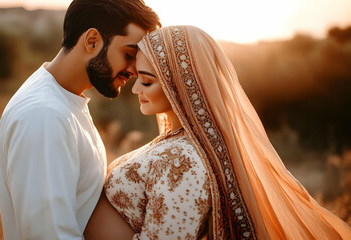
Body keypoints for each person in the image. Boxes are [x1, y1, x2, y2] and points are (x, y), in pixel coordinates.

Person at [84, 25, 351, 239]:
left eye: (147, 81)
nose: (135, 89)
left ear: (180, 83)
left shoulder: (184, 162)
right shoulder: (177, 144)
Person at [0, 0, 161, 239]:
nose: (134, 70)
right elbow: (49, 234)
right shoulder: (44, 115)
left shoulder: (64, 100)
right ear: (92, 41)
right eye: (129, 54)